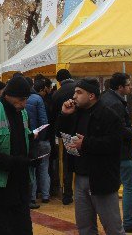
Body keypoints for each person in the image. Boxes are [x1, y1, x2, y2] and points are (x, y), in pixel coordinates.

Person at [58, 78, 124, 235]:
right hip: (80, 177)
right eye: (74, 92)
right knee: (85, 227)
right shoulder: (76, 113)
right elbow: (61, 134)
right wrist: (64, 115)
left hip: (102, 178)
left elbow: (114, 144)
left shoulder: (108, 115)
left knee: (113, 227)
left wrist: (86, 143)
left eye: (79, 93)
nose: (74, 96)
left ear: (91, 96)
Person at [0, 76, 37, 235]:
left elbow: (28, 138)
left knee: (23, 229)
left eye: (26, 99)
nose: (24, 104)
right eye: (21, 99)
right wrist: (17, 162)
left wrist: (33, 155)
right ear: (9, 95)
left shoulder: (22, 113)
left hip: (20, 187)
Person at [100, 73, 132, 233]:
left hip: (110, 152)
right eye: (128, 85)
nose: (131, 87)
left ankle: (113, 222)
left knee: (113, 188)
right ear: (120, 87)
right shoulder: (116, 103)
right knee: (130, 185)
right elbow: (120, 131)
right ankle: (129, 221)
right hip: (122, 152)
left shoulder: (105, 98)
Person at [50, 68, 77, 205]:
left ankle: (67, 194)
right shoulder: (79, 89)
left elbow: (54, 116)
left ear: (59, 81)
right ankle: (84, 191)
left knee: (68, 164)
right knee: (84, 162)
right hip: (82, 132)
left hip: (66, 134)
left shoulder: (57, 94)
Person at [25, 76, 49, 209]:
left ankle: (31, 197)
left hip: (27, 138)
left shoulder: (20, 100)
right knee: (43, 168)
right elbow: (43, 121)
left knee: (31, 170)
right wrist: (41, 137)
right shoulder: (37, 99)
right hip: (38, 138)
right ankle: (45, 195)